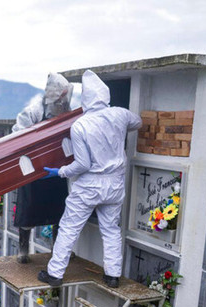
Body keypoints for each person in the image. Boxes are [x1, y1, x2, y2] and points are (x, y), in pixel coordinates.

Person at [37, 70, 142, 288]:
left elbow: (82, 165)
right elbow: (138, 123)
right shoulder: (120, 114)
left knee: (69, 228)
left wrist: (60, 172)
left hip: (89, 186)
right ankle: (113, 276)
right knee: (111, 229)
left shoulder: (80, 126)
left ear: (85, 99)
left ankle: (55, 274)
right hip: (115, 184)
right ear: (105, 95)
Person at [11, 72, 73, 263]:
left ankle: (56, 249)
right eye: (60, 99)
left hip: (55, 168)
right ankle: (23, 251)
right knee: (28, 209)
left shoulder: (66, 110)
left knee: (58, 210)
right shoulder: (33, 111)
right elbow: (17, 135)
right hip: (32, 167)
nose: (62, 104)